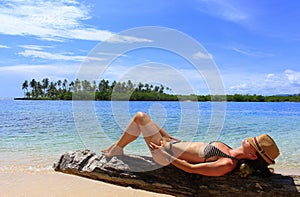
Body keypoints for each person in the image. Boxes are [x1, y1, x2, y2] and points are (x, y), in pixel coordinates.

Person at [102, 112, 280, 176]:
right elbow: (193, 148)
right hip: (171, 143)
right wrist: (172, 140)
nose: (251, 138)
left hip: (163, 155)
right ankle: (117, 147)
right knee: (146, 119)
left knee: (140, 117)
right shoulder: (228, 149)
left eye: (254, 142)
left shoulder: (227, 163)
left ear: (252, 155)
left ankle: (117, 149)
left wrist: (167, 155)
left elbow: (191, 168)